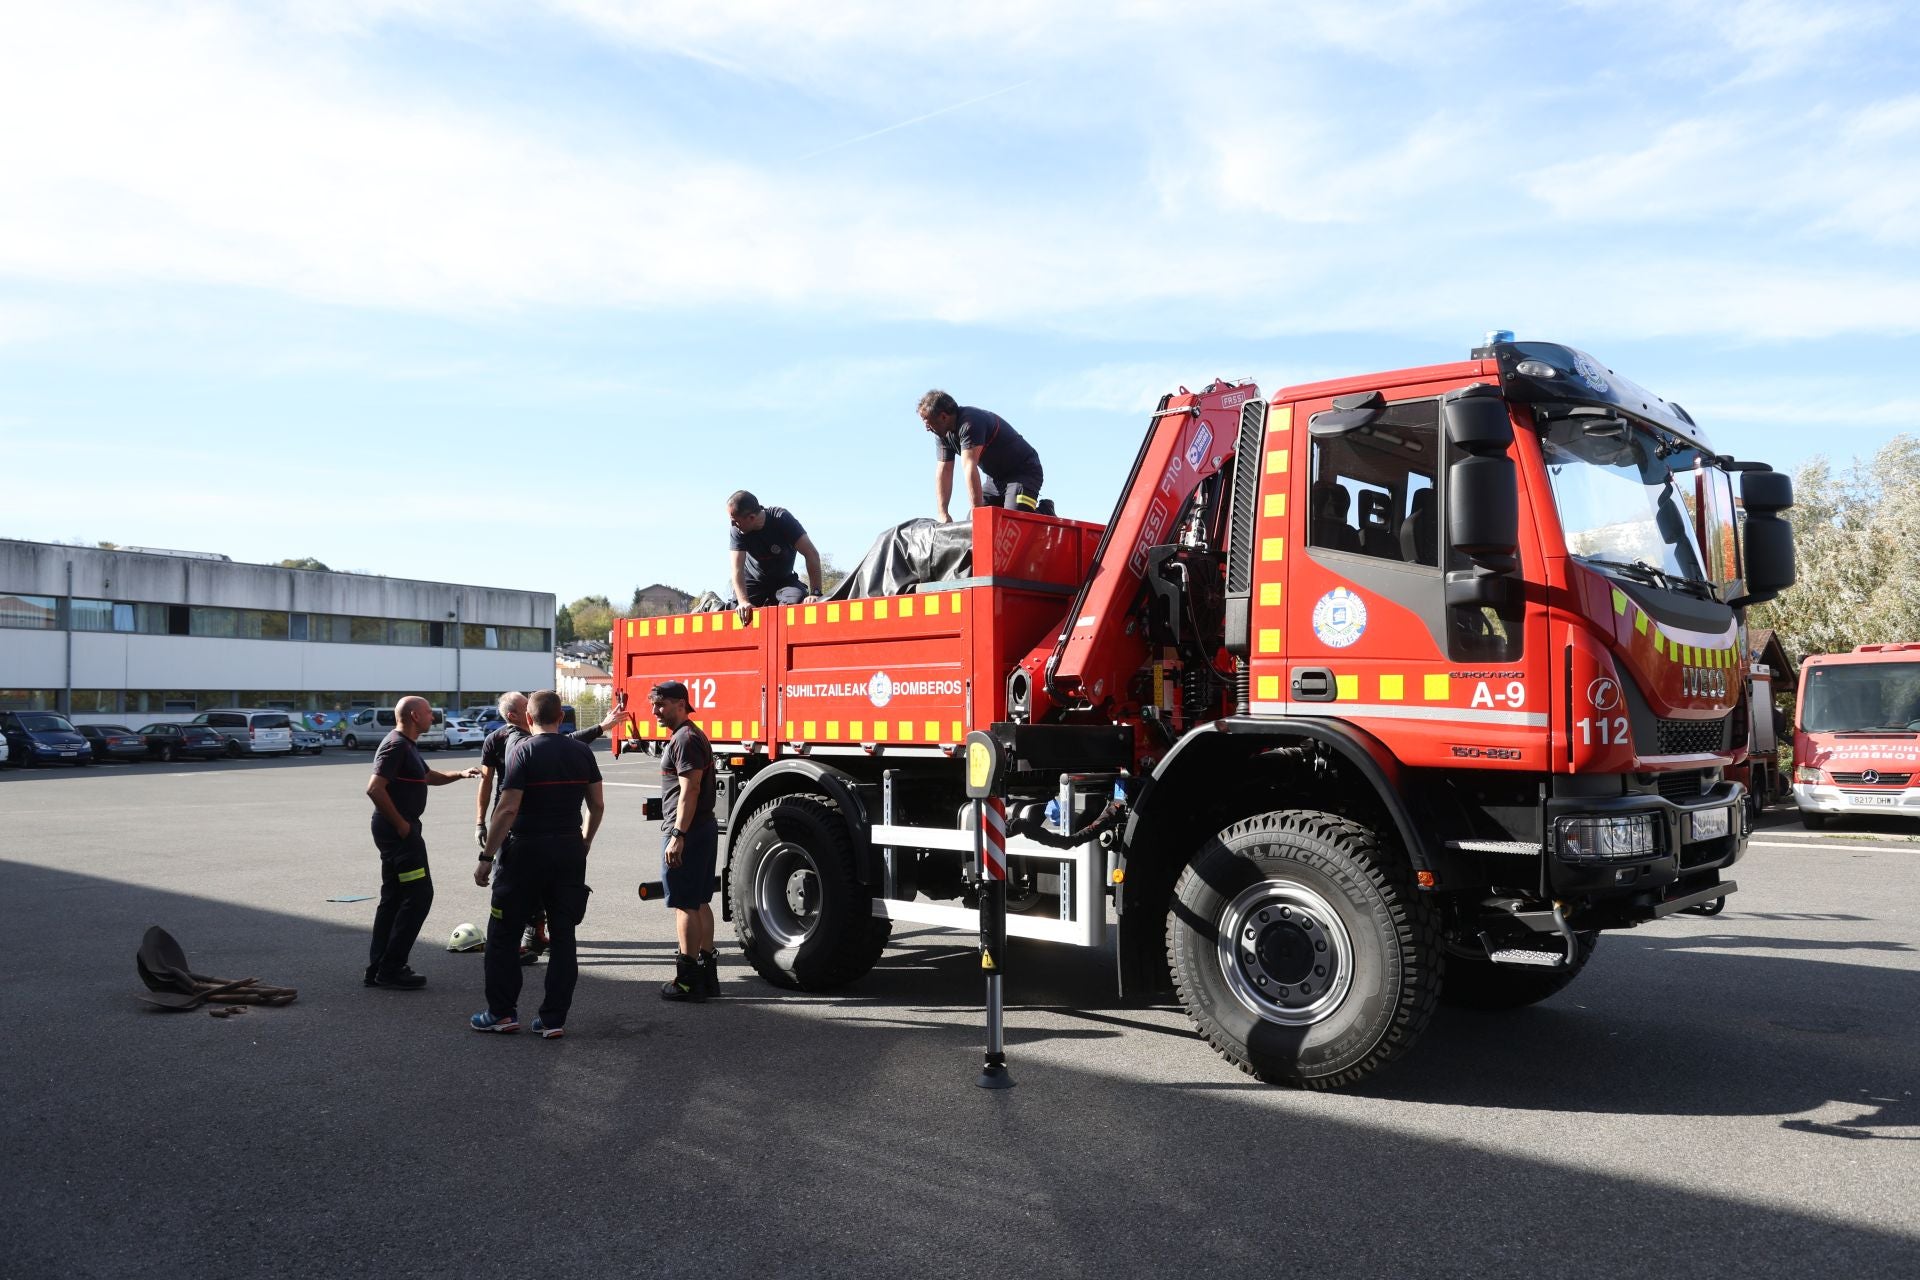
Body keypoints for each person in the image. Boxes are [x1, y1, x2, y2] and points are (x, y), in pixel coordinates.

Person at [470, 690, 605, 1037]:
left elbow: (508, 807)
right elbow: (597, 805)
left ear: (528, 719)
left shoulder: (523, 750)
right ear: (562, 718)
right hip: (569, 851)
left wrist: (486, 857)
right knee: (564, 937)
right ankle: (552, 1020)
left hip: (525, 853)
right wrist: (584, 842)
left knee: (503, 933)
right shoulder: (581, 751)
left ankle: (501, 1013)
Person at [475, 689, 627, 962]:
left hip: (524, 835)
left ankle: (526, 943)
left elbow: (556, 743)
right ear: (515, 716)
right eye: (524, 707)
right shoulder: (511, 742)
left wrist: (601, 727)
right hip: (521, 833)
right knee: (552, 920)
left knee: (525, 895)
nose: (529, 712)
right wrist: (482, 827)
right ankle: (523, 946)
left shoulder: (528, 746)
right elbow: (490, 788)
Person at [364, 695, 482, 989]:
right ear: (415, 715)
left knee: (394, 897)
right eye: (429, 712)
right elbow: (375, 789)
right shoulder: (395, 745)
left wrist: (460, 774)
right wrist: (403, 827)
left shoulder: (408, 746)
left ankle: (379, 967)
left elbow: (427, 776)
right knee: (418, 896)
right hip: (400, 835)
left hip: (399, 832)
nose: (434, 717)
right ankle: (391, 967)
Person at [651, 680, 721, 1001]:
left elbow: (689, 790)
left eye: (661, 704)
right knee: (699, 901)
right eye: (654, 705)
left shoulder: (685, 739)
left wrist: (677, 835)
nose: (656, 711)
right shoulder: (689, 736)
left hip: (688, 832)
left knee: (685, 905)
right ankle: (707, 975)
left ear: (681, 703)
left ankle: (688, 980)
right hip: (700, 829)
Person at [918, 390, 1045, 522]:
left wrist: (977, 512)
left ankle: (1044, 511)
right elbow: (945, 470)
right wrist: (943, 513)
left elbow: (969, 467)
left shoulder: (970, 422)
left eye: (928, 421)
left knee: (1010, 523)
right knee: (970, 524)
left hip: (1024, 471)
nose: (927, 427)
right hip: (996, 479)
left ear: (943, 417)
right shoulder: (943, 433)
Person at [727, 490, 824, 620]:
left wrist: (815, 593)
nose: (733, 524)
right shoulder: (737, 530)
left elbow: (811, 554)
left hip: (783, 580)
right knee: (737, 612)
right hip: (753, 582)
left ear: (751, 518)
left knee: (794, 606)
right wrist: (743, 602)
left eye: (735, 521)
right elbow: (737, 569)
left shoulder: (781, 519)